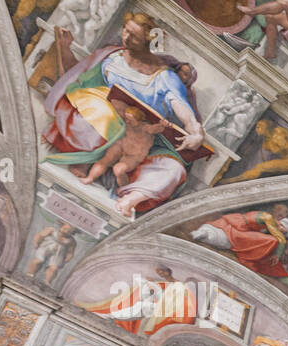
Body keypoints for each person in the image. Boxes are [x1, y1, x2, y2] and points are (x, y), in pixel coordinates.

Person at [42, 12, 205, 216]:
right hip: (103, 121)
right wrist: (65, 48)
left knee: (174, 169)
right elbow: (78, 76)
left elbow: (185, 112)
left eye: (133, 36)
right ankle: (84, 161)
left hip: (140, 140)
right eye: (125, 31)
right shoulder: (112, 57)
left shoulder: (164, 77)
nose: (125, 38)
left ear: (149, 41)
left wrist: (196, 133)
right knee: (104, 114)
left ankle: (132, 196)